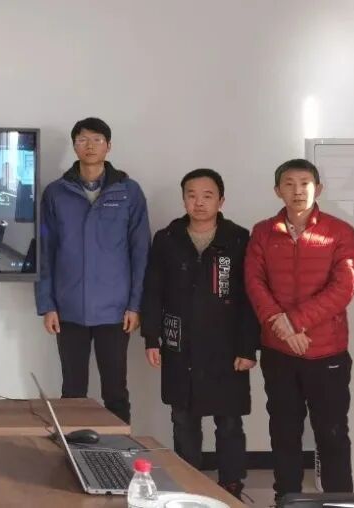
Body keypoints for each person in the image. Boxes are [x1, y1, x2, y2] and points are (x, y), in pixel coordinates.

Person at [140, 169, 258, 500]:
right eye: (191, 195)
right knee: (183, 418)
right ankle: (189, 484)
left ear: (221, 200)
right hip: (181, 344)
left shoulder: (239, 239)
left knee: (229, 421)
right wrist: (152, 338)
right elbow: (153, 291)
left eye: (207, 195)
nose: (199, 202)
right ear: (183, 200)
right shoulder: (167, 238)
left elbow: (251, 297)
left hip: (227, 346)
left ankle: (231, 485)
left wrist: (248, 347)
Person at [245, 159, 354, 499]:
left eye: (305, 183)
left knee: (332, 435)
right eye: (289, 183)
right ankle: (287, 500)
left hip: (327, 352)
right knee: (284, 433)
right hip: (278, 352)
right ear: (277, 190)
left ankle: (340, 503)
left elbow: (344, 287)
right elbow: (254, 282)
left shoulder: (339, 231)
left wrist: (295, 322)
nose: (298, 190)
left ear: (318, 188)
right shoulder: (263, 232)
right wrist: (283, 327)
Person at [34, 117, 150, 424]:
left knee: (116, 390)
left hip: (115, 310)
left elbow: (140, 252)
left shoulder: (128, 192)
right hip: (69, 308)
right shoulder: (56, 193)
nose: (90, 145)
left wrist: (135, 305)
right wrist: (47, 304)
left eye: (97, 139)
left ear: (108, 146)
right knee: (73, 390)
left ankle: (119, 449)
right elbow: (45, 251)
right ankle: (75, 448)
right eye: (83, 140)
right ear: (75, 146)